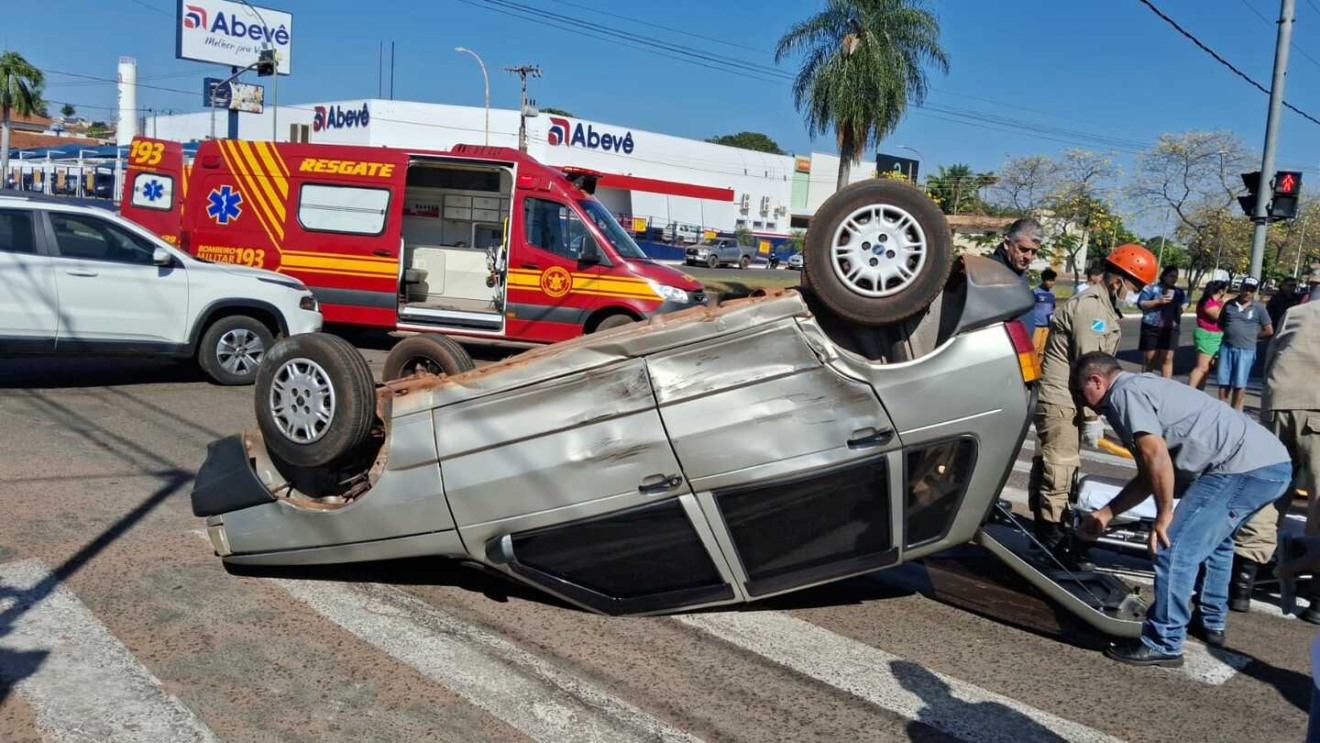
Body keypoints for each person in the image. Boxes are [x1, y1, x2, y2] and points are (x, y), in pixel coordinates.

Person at [1073, 352, 1292, 665]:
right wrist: (1106, 515)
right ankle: (1210, 621)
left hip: (1242, 468)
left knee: (1173, 546)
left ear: (1096, 381)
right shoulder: (1143, 385)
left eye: (1081, 394)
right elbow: (1150, 474)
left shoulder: (1123, 394)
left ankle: (1164, 641)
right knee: (1216, 544)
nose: (1085, 404)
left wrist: (1164, 518)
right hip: (1269, 464)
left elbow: (1157, 458)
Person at [1029, 244, 1159, 557]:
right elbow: (1090, 368)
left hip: (1071, 397)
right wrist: (1092, 418)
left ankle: (1048, 527)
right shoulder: (1091, 308)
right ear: (1118, 280)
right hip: (1063, 397)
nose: (1135, 293)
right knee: (1059, 467)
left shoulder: (1103, 306)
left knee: (1055, 466)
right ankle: (1051, 538)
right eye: (1135, 286)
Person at [1229, 292, 1320, 618]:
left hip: (1278, 402)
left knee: (1269, 490)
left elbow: (1270, 360)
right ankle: (1318, 597)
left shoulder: (1295, 312)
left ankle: (1240, 583)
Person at [1216, 277, 1274, 411]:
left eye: (1251, 290)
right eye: (1245, 289)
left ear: (1254, 292)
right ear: (1240, 288)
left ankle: (1236, 412)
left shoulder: (1259, 308)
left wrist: (1253, 335)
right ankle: (1222, 410)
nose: (1247, 292)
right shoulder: (1229, 304)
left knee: (1239, 383)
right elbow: (1221, 323)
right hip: (1227, 347)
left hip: (1246, 350)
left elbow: (1269, 330)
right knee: (1223, 382)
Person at [1136, 266, 1188, 379]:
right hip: (1151, 326)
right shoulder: (1151, 289)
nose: (1174, 279)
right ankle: (1145, 382)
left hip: (1171, 328)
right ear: (1164, 276)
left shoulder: (1179, 292)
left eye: (1176, 277)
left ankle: (1166, 386)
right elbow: (1141, 304)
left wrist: (1181, 310)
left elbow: (1186, 301)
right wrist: (1158, 301)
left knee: (1167, 358)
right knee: (1150, 358)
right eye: (1171, 276)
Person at [989, 218, 1043, 327]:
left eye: (1034, 252)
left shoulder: (1018, 272)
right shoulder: (987, 274)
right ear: (1007, 243)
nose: (1028, 257)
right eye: (1023, 249)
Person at [1187, 281, 1229, 391]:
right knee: (1202, 366)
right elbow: (1217, 315)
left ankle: (1200, 391)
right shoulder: (1208, 302)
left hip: (1217, 335)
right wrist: (1225, 303)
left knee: (1207, 367)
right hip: (1207, 335)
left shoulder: (1218, 302)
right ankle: (1189, 390)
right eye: (1225, 289)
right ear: (1220, 290)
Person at [1031, 268, 1058, 357]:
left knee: (1043, 350)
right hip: (1036, 326)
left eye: (1053, 280)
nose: (1051, 283)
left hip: (1047, 327)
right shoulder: (1035, 292)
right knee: (1034, 349)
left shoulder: (1052, 295)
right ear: (1043, 280)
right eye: (1049, 280)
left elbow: (1052, 309)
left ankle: (1039, 369)